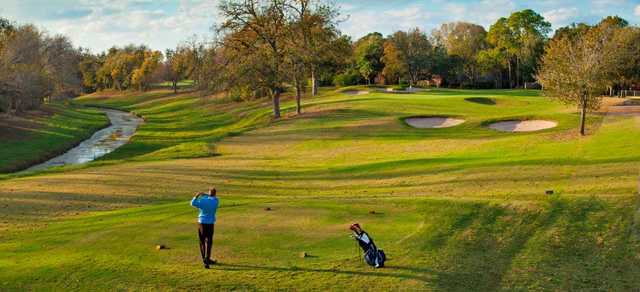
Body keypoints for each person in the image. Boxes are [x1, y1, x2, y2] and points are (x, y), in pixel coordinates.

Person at [191, 187, 219, 269]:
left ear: (209, 193)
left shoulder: (203, 200)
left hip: (202, 223)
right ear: (215, 194)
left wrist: (197, 195)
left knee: (202, 241)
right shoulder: (216, 201)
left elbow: (192, 203)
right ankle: (208, 259)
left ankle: (204, 259)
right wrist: (207, 194)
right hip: (210, 224)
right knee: (209, 242)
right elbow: (213, 197)